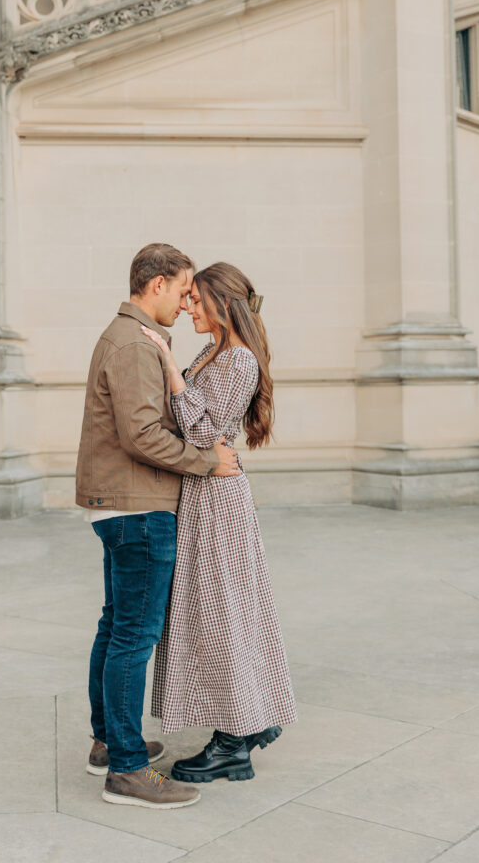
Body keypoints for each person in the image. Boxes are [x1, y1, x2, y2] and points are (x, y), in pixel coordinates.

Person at [75, 243, 240, 809]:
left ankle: (107, 741)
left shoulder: (135, 339)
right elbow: (142, 435)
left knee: (116, 625)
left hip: (124, 502)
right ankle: (125, 770)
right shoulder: (133, 344)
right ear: (158, 284)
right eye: (183, 289)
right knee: (133, 638)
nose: (186, 301)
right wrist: (209, 461)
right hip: (138, 507)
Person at [142, 262, 297, 782]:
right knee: (210, 610)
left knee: (221, 611)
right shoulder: (213, 352)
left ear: (222, 304)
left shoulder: (239, 362)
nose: (188, 308)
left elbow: (204, 431)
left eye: (196, 300)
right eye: (185, 299)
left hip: (218, 499)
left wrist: (167, 368)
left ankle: (234, 741)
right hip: (202, 490)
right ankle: (246, 719)